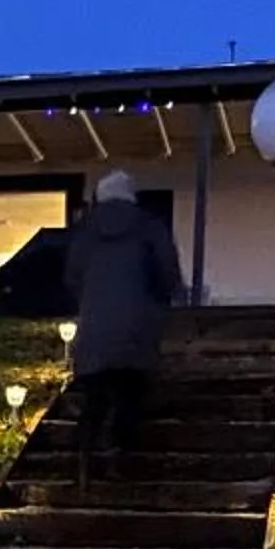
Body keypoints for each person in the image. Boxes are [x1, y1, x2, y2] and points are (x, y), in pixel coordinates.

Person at [61, 170, 182, 482]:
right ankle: (120, 456)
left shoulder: (84, 231)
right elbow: (167, 274)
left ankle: (85, 457)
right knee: (130, 394)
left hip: (95, 330)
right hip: (137, 328)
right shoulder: (149, 227)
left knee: (96, 395)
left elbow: (72, 277)